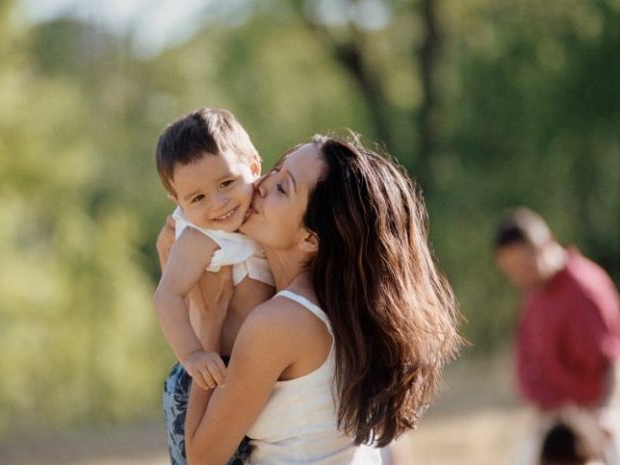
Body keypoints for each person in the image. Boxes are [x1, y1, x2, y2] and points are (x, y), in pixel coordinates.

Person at [170, 135, 463, 465]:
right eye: (277, 169)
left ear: (311, 238)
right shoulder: (343, 308)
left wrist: (210, 317)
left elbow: (201, 458)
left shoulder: (280, 322)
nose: (263, 183)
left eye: (283, 187)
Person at [153, 108, 276, 465]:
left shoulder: (269, 208)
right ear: (179, 203)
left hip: (249, 372)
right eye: (197, 198)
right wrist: (192, 356)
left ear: (254, 166)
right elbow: (168, 295)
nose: (218, 204)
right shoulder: (200, 237)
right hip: (209, 373)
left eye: (226, 184)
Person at [494, 207, 620, 464]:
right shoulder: (536, 292)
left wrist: (605, 413)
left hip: (590, 428)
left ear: (546, 244)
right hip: (553, 426)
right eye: (512, 271)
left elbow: (610, 357)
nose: (519, 277)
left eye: (524, 266)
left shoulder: (584, 289)